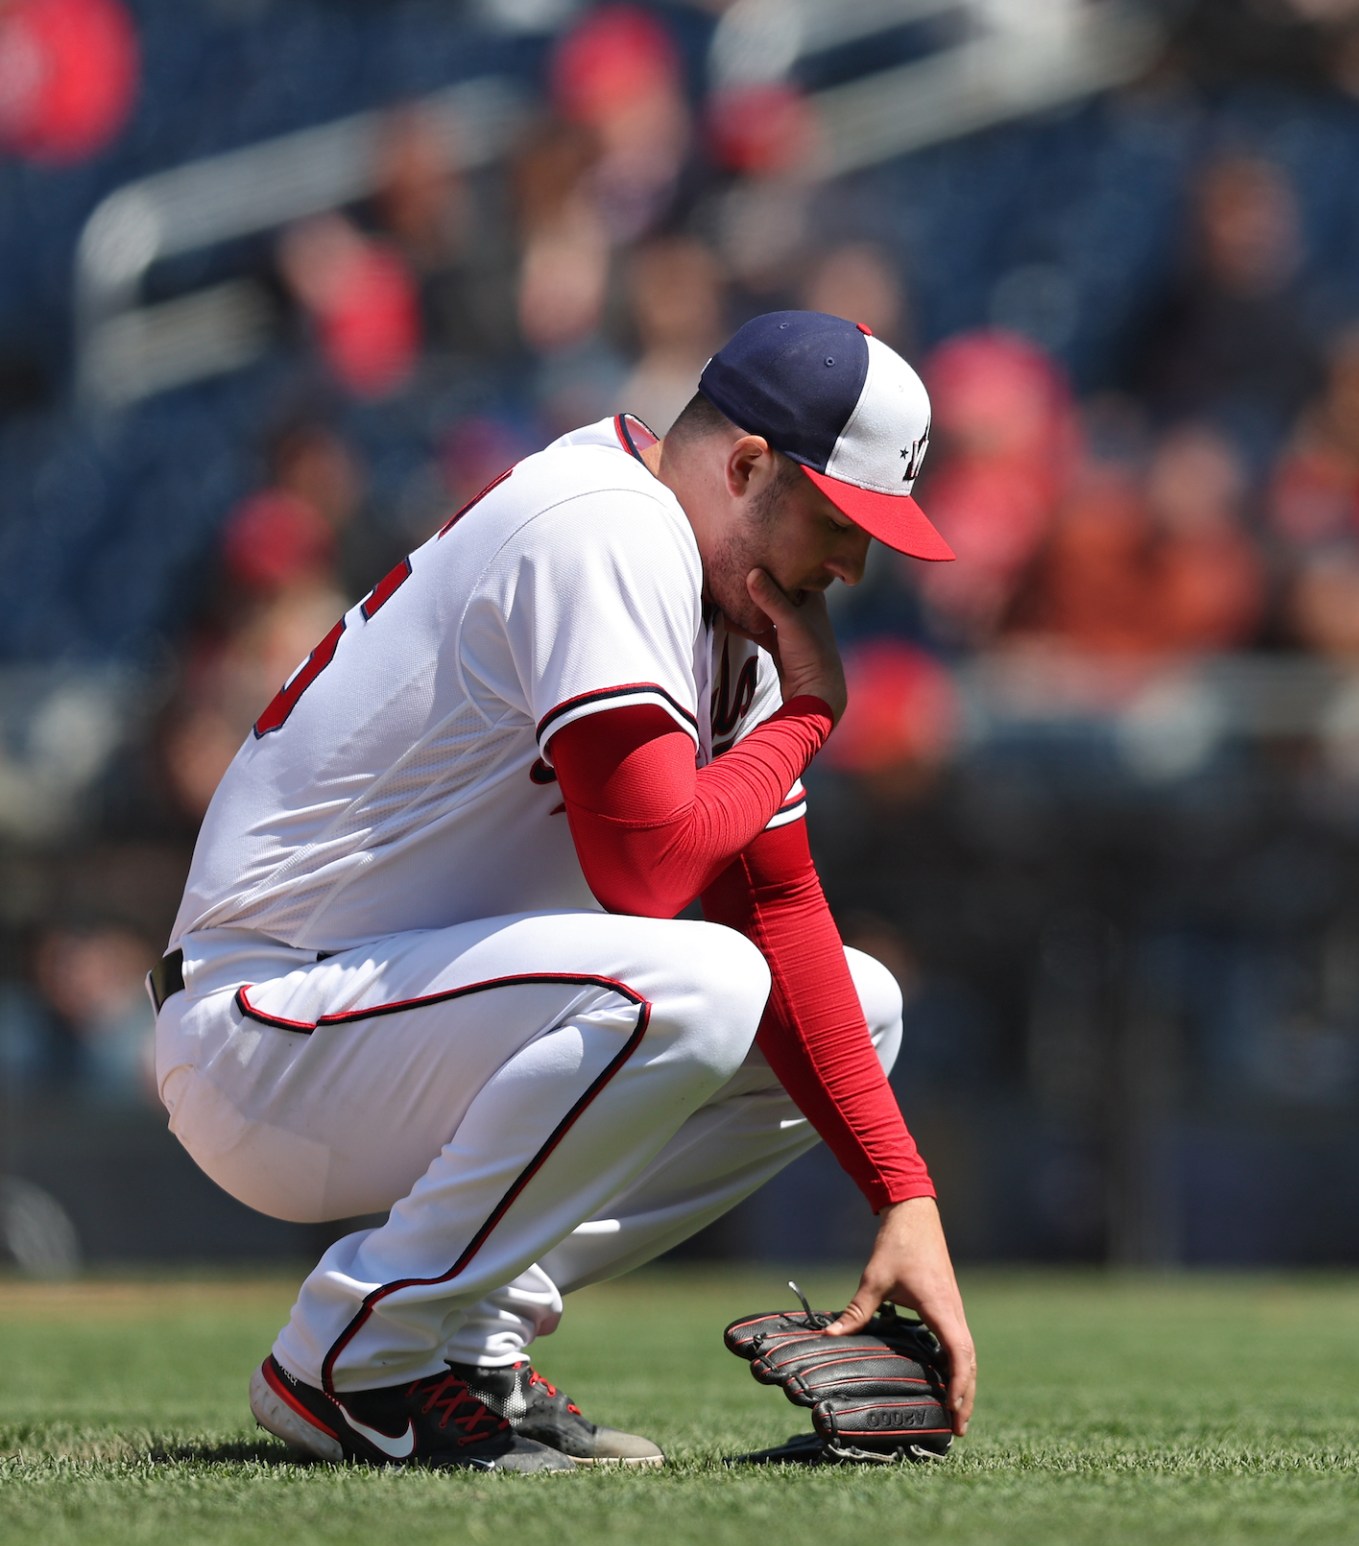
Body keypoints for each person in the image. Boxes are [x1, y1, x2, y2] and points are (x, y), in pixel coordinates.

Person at [148, 311, 976, 1472]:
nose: (852, 568)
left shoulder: (724, 593)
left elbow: (775, 903)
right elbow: (645, 870)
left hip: (404, 1018)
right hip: (269, 1022)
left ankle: (465, 1334)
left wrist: (905, 1196)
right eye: (839, 524)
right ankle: (353, 1358)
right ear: (745, 466)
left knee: (857, 1001)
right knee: (693, 984)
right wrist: (800, 724)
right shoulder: (609, 525)